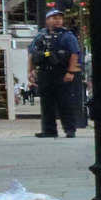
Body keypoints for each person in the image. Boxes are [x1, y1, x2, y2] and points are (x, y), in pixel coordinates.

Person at [31, 9, 85, 139]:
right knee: (46, 103)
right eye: (54, 17)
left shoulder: (67, 36)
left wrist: (70, 71)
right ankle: (49, 130)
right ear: (47, 20)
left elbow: (74, 54)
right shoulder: (40, 36)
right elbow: (32, 53)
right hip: (44, 73)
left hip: (61, 72)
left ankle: (70, 130)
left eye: (60, 18)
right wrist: (30, 70)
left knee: (65, 103)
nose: (58, 20)